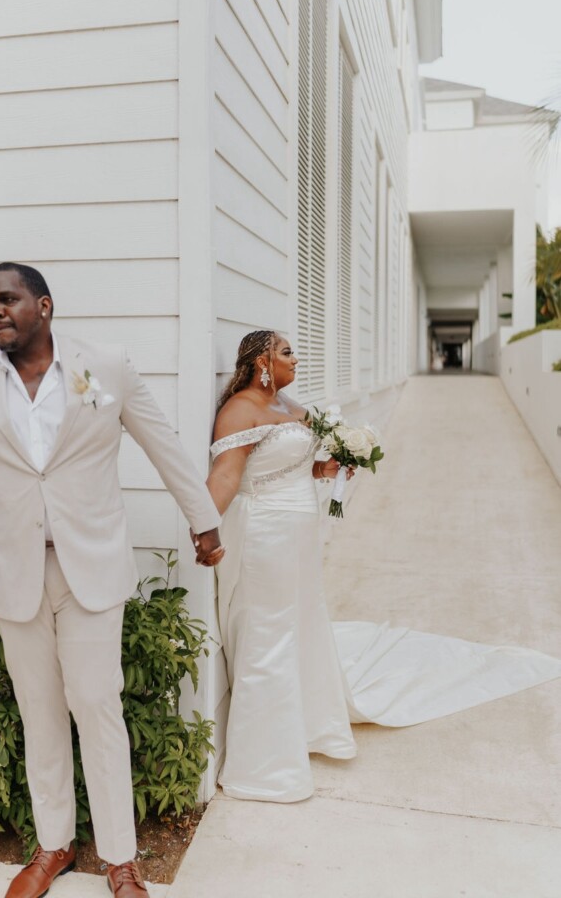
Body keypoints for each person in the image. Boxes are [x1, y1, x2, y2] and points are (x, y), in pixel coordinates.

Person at [0, 262, 223, 898]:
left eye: (8, 299)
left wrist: (204, 519)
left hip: (91, 566)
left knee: (97, 706)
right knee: (40, 715)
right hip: (14, 571)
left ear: (44, 306)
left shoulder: (102, 367)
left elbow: (161, 440)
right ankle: (53, 844)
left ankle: (120, 860)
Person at [198, 329, 561, 803]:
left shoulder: (290, 406)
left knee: (299, 625)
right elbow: (227, 475)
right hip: (265, 535)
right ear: (263, 361)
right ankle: (263, 763)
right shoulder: (239, 409)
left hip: (299, 539)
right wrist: (203, 525)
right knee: (269, 635)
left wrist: (328, 467)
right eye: (287, 352)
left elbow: (286, 463)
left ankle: (304, 724)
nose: (297, 359)